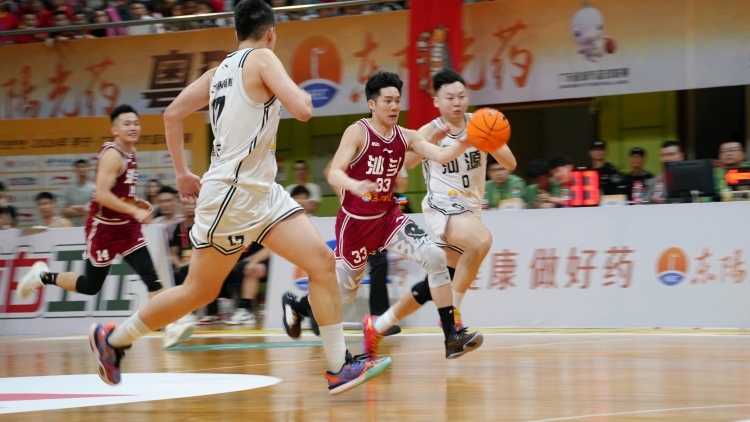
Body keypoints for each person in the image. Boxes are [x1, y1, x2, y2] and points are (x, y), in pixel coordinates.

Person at [81, 0, 390, 394]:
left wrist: (182, 172)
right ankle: (113, 339)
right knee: (198, 291)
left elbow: (172, 114)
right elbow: (304, 109)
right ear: (271, 33)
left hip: (262, 191)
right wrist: (303, 87)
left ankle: (337, 366)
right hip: (233, 194)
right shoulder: (263, 58)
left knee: (321, 262)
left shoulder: (218, 72)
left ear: (237, 32)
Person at [282, 70, 483, 360]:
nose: (394, 106)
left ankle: (451, 335)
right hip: (355, 225)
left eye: (397, 100)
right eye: (387, 100)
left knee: (435, 257)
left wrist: (464, 143)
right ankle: (299, 306)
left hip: (388, 219)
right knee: (344, 293)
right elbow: (334, 173)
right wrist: (354, 185)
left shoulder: (406, 136)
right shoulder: (358, 132)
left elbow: (439, 155)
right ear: (372, 104)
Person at [17, 105, 195, 349]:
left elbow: (119, 192)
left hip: (127, 228)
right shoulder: (112, 155)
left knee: (151, 277)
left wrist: (136, 203)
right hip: (103, 230)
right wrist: (134, 211)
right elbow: (101, 194)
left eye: (136, 123)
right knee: (90, 286)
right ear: (114, 129)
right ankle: (43, 276)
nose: (133, 127)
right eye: (127, 124)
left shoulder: (132, 152)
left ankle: (169, 327)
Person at [398, 68, 516, 329]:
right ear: (437, 101)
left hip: (469, 211)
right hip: (442, 207)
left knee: (438, 281)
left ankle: (378, 325)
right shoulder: (428, 131)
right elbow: (406, 163)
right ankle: (452, 316)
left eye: (461, 96)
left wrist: (490, 142)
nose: (457, 102)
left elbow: (510, 163)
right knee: (481, 240)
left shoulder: (481, 123)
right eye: (450, 97)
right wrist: (429, 143)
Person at [61, 159, 95, 227]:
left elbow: (95, 210)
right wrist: (85, 210)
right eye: (79, 167)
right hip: (72, 227)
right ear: (75, 170)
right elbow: (64, 211)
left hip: (90, 226)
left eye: (83, 166)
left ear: (88, 169)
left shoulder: (94, 188)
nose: (81, 169)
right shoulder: (68, 189)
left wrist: (74, 207)